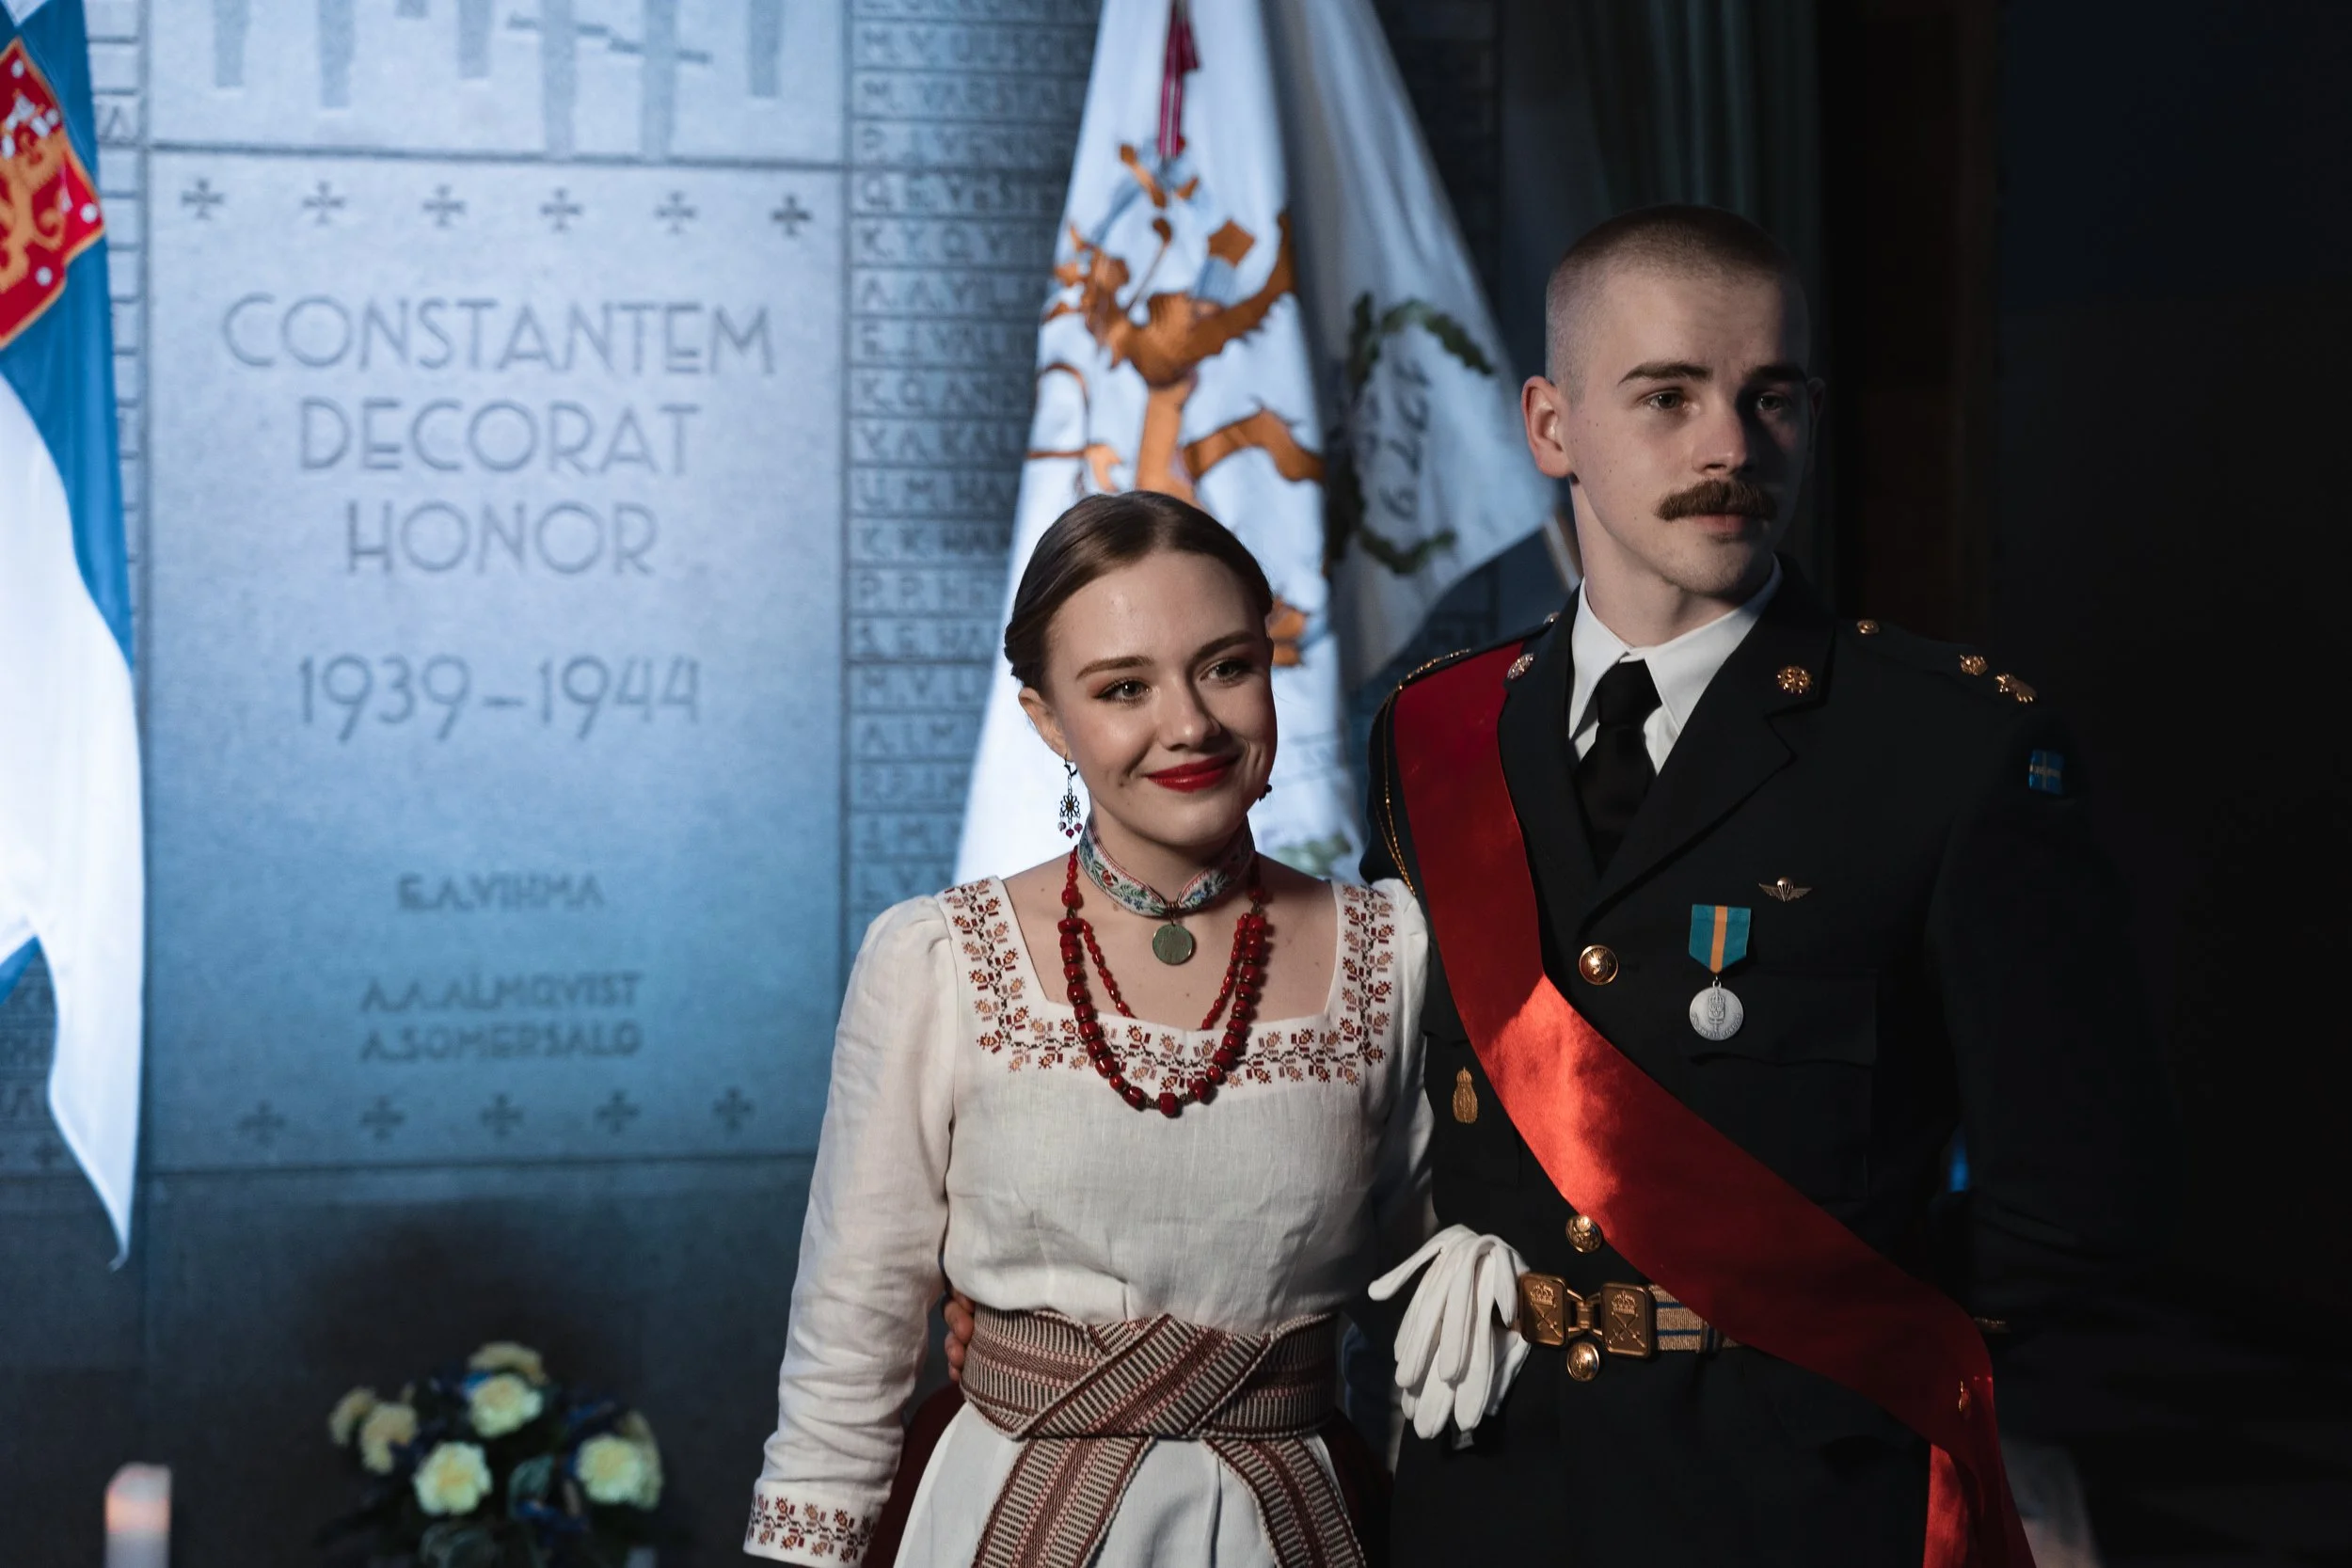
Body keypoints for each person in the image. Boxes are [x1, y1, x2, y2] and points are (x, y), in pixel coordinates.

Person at [1355, 204, 2177, 1562]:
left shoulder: (1949, 747)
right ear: (1551, 428)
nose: (1732, 445)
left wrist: (1840, 1329)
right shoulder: (1434, 734)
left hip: (1797, 1484)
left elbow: (2087, 1191)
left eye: (1771, 395)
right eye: (1668, 396)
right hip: (1490, 1471)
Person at [744, 490, 1433, 1568]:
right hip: (1002, 1518)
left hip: (1293, 1525)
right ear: (1047, 719)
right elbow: (851, 1338)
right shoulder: (937, 960)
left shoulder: (1390, 953)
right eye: (1123, 687)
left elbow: (1426, 1326)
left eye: (1227, 665)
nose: (1191, 724)